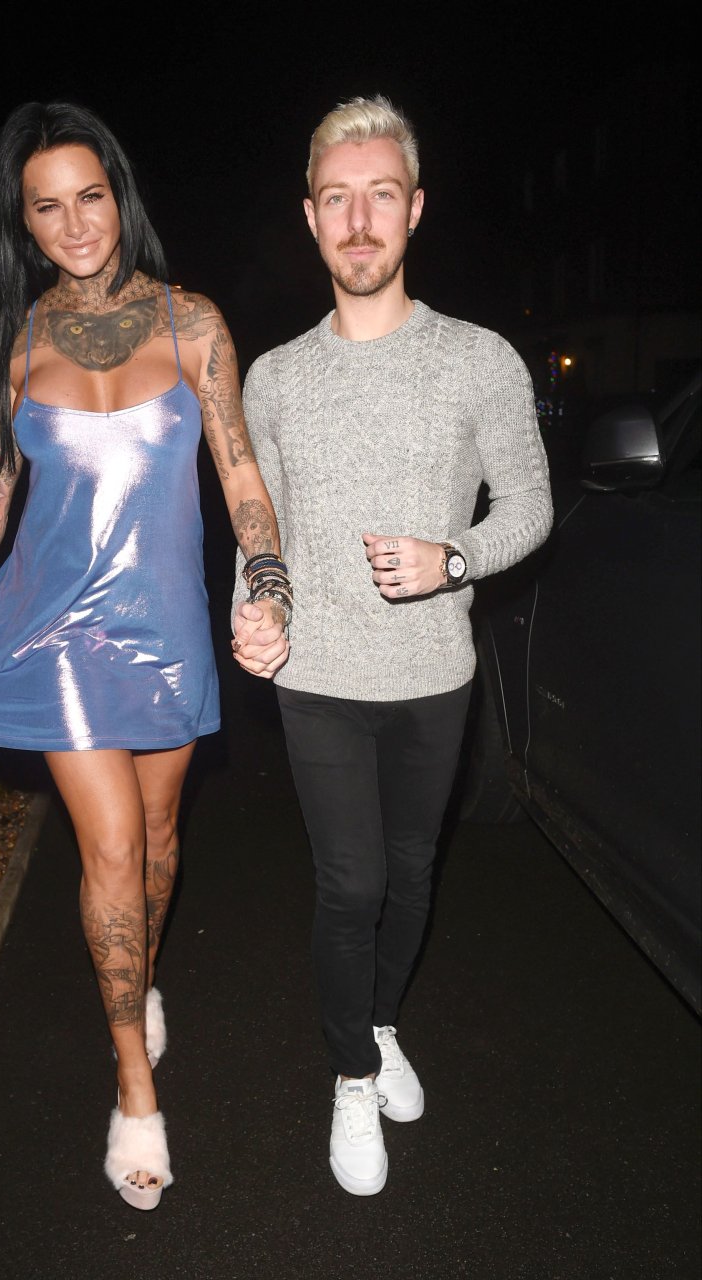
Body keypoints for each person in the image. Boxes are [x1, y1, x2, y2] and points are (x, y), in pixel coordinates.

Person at [0, 101, 290, 1212]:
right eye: (48, 207)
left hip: (167, 629)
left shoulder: (194, 321)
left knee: (160, 842)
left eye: (90, 196)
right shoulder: (13, 344)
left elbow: (241, 471)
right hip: (60, 633)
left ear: (118, 197)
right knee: (112, 847)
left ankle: (141, 980)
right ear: (24, 226)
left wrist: (268, 581)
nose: (75, 223)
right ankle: (133, 1082)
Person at [233, 95, 553, 1196]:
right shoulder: (274, 378)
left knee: (413, 874)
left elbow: (530, 506)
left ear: (414, 209)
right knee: (352, 882)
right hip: (319, 675)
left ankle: (380, 1020)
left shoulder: (480, 360)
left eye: (380, 195)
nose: (359, 220)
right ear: (311, 217)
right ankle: (352, 1073)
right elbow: (259, 528)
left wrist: (453, 559)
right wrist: (254, 610)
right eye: (338, 199)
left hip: (434, 676)